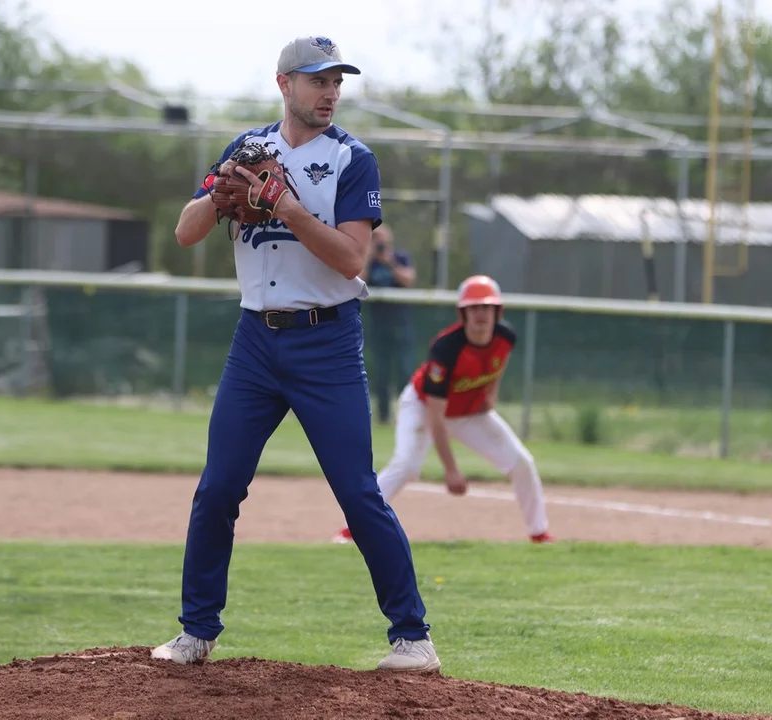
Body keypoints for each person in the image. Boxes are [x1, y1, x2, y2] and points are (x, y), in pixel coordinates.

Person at [150, 35, 440, 673]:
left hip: (327, 341)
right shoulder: (246, 151)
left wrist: (287, 207)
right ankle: (196, 632)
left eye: (337, 80)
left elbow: (351, 257)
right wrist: (219, 194)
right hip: (255, 342)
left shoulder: (352, 160)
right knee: (218, 487)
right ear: (285, 85)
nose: (331, 91)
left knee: (358, 492)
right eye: (318, 80)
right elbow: (186, 232)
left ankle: (412, 638)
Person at [335, 275, 554, 545]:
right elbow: (435, 415)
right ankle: (352, 528)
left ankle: (539, 533)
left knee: (522, 462)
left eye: (486, 307)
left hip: (469, 411)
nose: (480, 314)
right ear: (462, 313)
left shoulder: (506, 336)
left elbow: (498, 362)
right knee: (406, 465)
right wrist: (451, 469)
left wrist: (492, 393)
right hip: (423, 406)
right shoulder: (446, 348)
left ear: (498, 311)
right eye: (473, 308)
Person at [359, 223, 417, 424]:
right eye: (375, 239)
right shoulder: (368, 261)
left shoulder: (399, 258)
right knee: (381, 372)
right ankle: (383, 416)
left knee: (403, 370)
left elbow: (408, 280)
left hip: (400, 325)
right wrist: (368, 256)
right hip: (377, 325)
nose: (379, 244)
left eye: (382, 240)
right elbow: (359, 280)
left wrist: (389, 261)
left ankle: (406, 414)